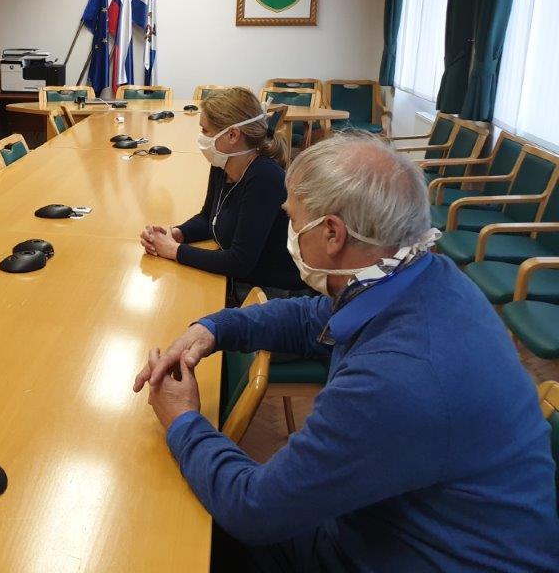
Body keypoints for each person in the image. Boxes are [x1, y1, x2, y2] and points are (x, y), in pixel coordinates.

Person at [133, 133, 559, 572]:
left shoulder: (398, 378)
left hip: (409, 555)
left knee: (176, 530)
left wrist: (183, 420)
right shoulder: (423, 276)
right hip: (394, 524)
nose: (288, 231)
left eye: (292, 219)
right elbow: (314, 318)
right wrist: (214, 328)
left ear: (332, 233)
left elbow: (255, 509)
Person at [140, 87, 306, 303]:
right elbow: (208, 218)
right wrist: (176, 234)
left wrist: (174, 251)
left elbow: (239, 262)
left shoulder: (264, 177)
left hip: (272, 293)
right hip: (242, 279)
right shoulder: (223, 162)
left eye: (205, 131)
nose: (201, 137)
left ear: (232, 135)